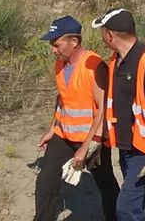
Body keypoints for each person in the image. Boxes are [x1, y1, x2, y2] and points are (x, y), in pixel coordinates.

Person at [35, 16, 119, 221]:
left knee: (105, 182)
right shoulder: (60, 64)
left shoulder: (95, 65)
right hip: (63, 134)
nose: (53, 50)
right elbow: (63, 98)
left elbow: (103, 109)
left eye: (56, 44)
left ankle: (117, 217)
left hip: (91, 139)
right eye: (51, 45)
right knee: (46, 181)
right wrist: (52, 128)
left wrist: (86, 146)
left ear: (74, 42)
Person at [93, 9, 145, 221]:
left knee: (126, 208)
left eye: (102, 32)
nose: (102, 37)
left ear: (110, 35)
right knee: (144, 205)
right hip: (127, 147)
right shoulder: (116, 61)